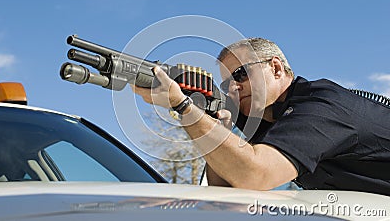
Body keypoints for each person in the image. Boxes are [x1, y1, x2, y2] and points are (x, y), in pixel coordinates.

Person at [133, 37, 390, 196]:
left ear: (276, 68)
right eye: (225, 85)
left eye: (241, 75)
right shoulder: (268, 116)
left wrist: (183, 107)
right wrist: (215, 129)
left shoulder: (321, 107)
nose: (233, 88)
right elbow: (227, 193)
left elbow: (254, 175)